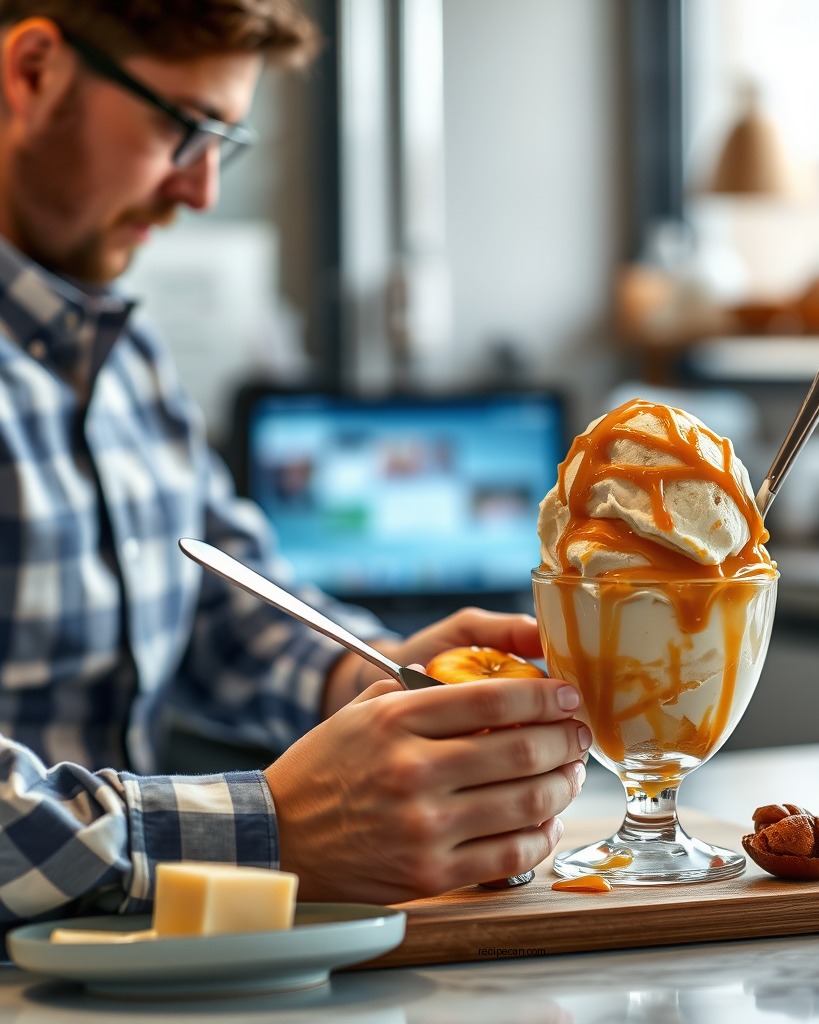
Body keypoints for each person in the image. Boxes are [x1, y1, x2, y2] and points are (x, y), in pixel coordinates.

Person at [0, 2, 588, 928]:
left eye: (220, 144)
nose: (199, 192)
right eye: (182, 127)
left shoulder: (124, 360)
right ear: (33, 73)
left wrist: (385, 676)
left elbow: (227, 610)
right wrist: (272, 829)